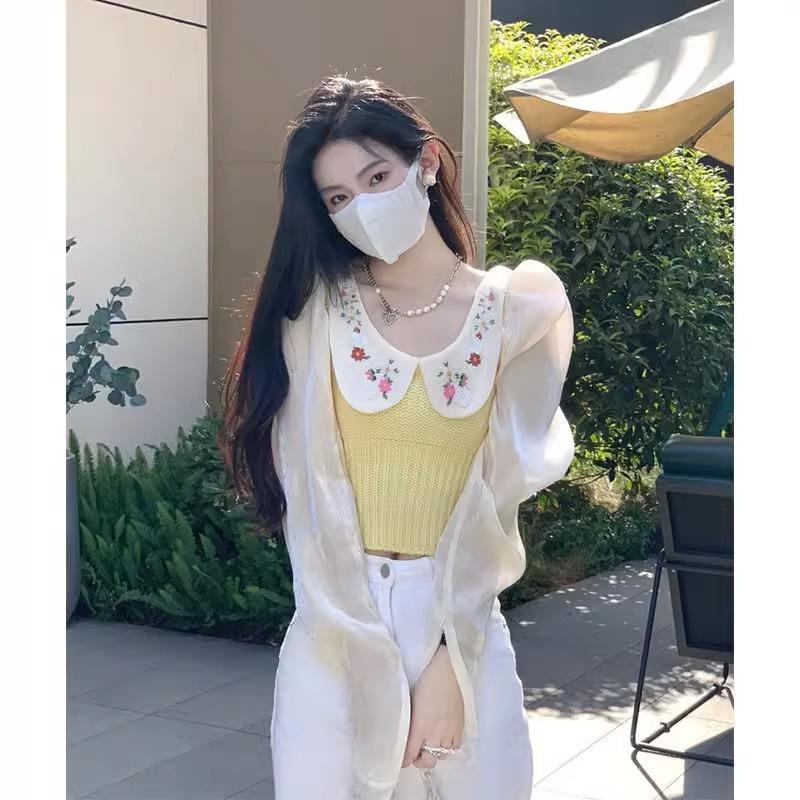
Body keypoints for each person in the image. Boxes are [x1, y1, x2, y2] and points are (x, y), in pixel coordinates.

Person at [218, 75, 575, 800]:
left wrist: (449, 655)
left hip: (460, 628)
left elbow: (498, 504)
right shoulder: (312, 316)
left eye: (376, 177)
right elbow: (306, 497)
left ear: (427, 163)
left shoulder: (518, 313)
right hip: (333, 630)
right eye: (338, 197)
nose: (361, 206)